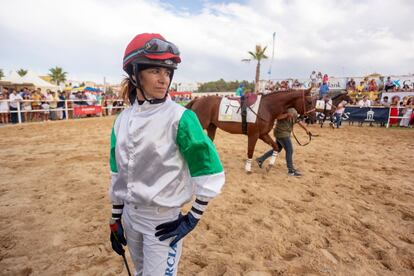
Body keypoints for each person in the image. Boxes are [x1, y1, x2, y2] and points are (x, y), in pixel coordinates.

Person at [108, 33, 225, 276]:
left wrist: (192, 217)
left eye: (168, 72)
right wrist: (115, 219)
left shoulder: (181, 118)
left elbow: (209, 169)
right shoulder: (122, 120)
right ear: (134, 73)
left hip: (163, 223)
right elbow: (118, 173)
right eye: (155, 71)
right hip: (130, 217)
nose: (164, 79)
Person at [256, 108, 310, 176]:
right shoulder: (284, 108)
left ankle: (260, 159)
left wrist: (306, 130)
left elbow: (298, 121)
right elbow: (277, 117)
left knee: (277, 149)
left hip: (283, 133)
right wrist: (287, 115)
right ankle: (291, 170)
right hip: (282, 133)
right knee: (289, 150)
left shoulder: (295, 110)